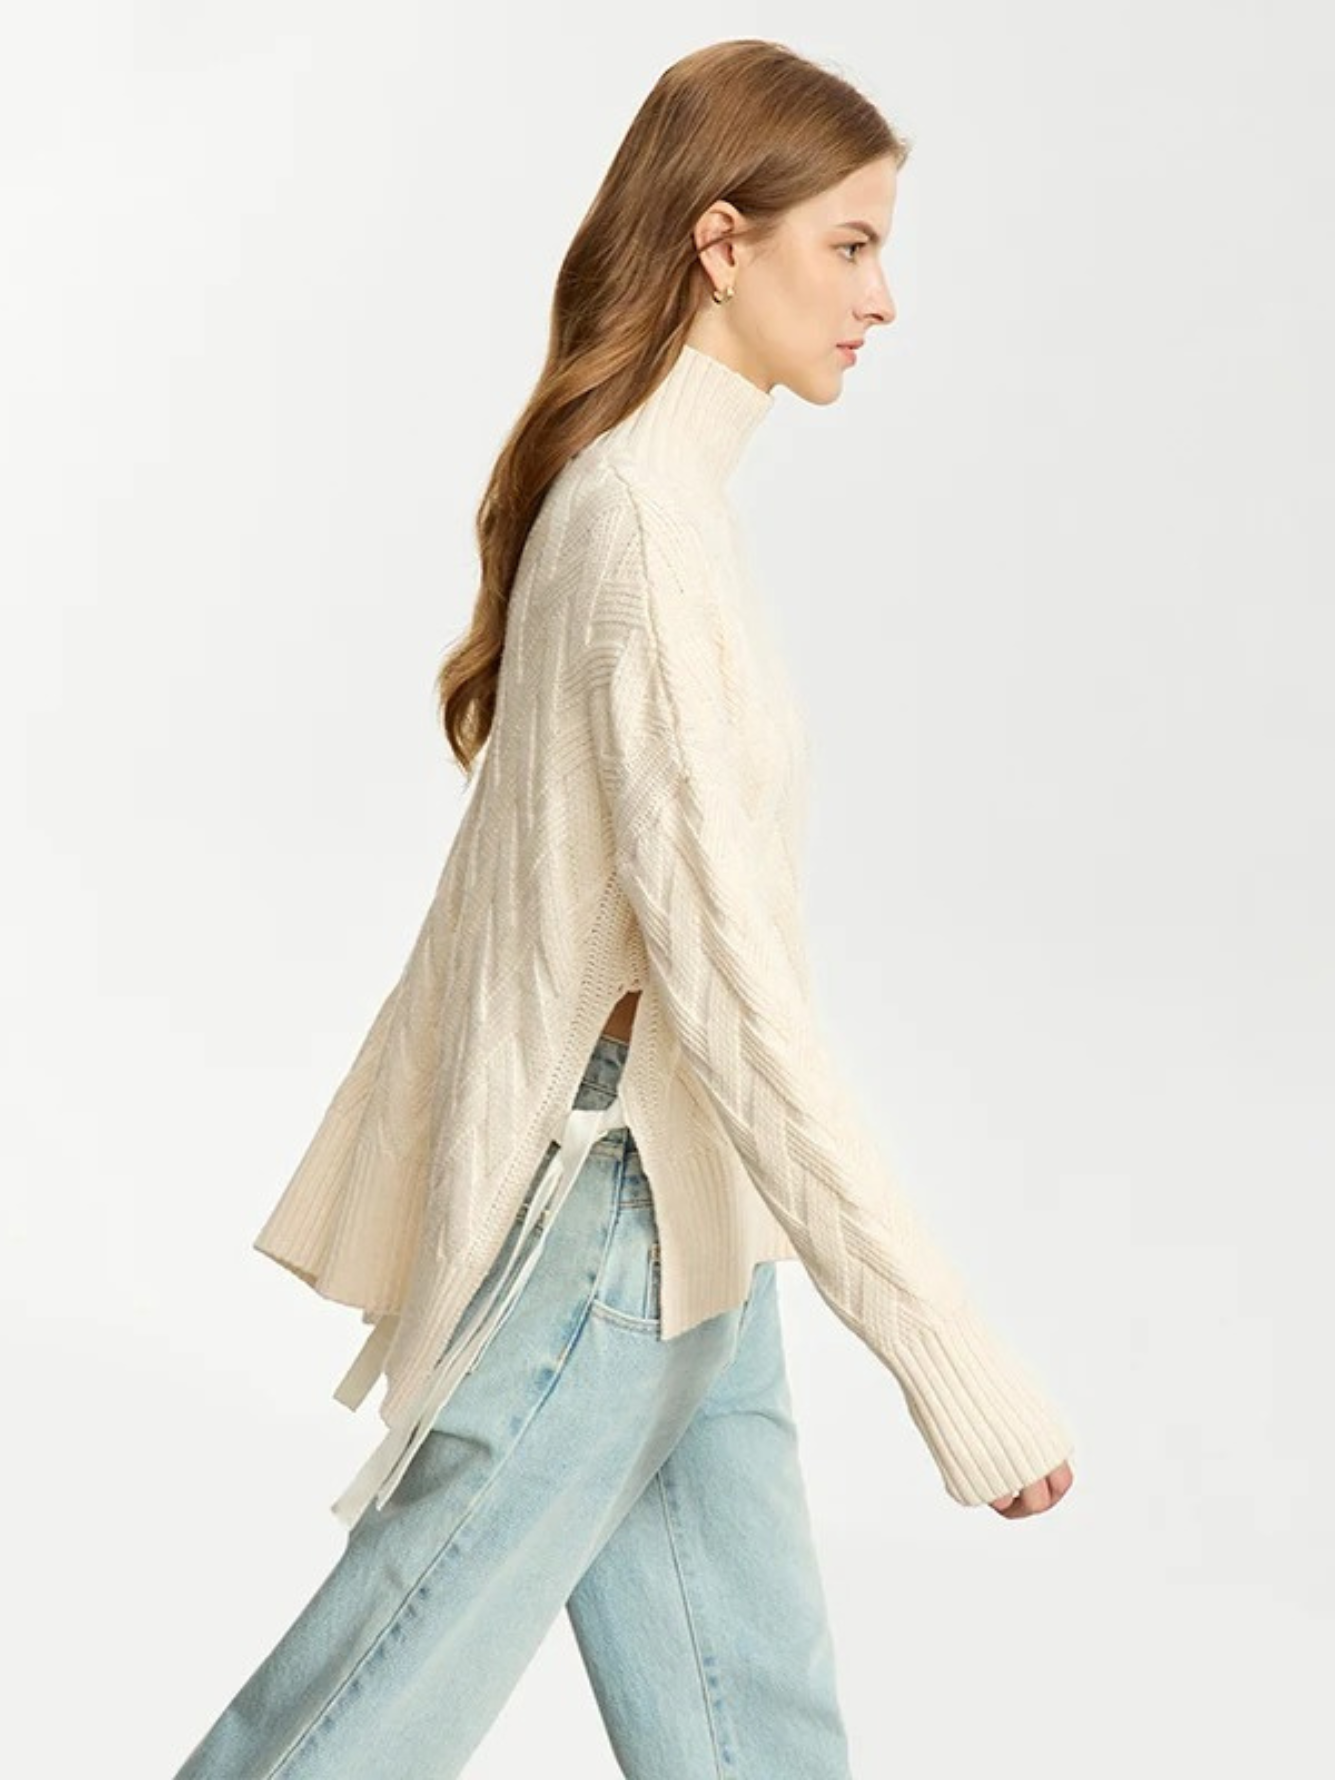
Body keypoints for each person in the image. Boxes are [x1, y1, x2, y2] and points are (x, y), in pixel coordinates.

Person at [173, 37, 1076, 1780]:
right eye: (850, 246)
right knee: (356, 1719)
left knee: (755, 1741)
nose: (881, 298)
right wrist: (950, 1357)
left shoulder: (661, 511)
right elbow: (731, 997)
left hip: (692, 1219)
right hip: (615, 1221)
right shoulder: (644, 532)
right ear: (721, 244)